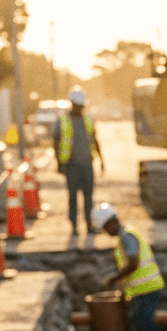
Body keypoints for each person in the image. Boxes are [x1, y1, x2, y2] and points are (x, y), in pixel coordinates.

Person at [92, 203, 164, 331]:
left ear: (111, 223)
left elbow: (133, 263)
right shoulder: (126, 236)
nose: (106, 232)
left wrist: (115, 278)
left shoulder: (127, 237)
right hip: (144, 291)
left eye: (105, 228)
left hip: (147, 291)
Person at [53, 88, 103, 236]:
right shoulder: (63, 121)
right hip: (71, 164)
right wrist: (59, 164)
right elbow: (56, 142)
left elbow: (94, 139)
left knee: (88, 196)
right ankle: (74, 225)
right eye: (78, 105)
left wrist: (102, 159)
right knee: (73, 196)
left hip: (87, 163)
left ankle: (89, 223)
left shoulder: (87, 119)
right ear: (72, 104)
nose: (81, 108)